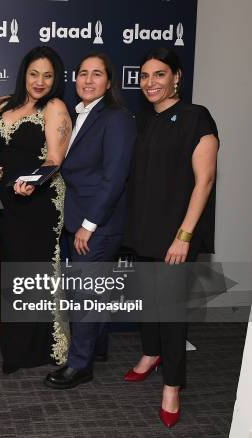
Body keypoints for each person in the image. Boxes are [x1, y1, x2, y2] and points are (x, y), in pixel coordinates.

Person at [122, 47, 218, 428]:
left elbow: (204, 181)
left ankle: (173, 386)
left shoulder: (197, 118)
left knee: (172, 311)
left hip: (177, 231)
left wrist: (184, 235)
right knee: (148, 300)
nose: (150, 83)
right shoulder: (143, 121)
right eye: (144, 76)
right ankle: (150, 353)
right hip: (145, 228)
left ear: (176, 77)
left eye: (159, 75)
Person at [44, 53, 135, 389]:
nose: (88, 80)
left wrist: (90, 224)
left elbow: (114, 178)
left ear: (109, 82)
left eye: (97, 74)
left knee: (84, 295)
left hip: (97, 224)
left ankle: (79, 366)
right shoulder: (81, 114)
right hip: (79, 219)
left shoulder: (117, 118)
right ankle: (96, 348)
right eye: (83, 73)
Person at [0, 46, 71, 373]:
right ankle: (15, 344)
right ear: (24, 73)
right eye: (34, 73)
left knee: (35, 270)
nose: (40, 81)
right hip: (8, 203)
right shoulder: (2, 104)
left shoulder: (54, 107)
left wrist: (32, 183)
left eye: (48, 75)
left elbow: (54, 159)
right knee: (14, 270)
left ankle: (36, 348)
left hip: (40, 201)